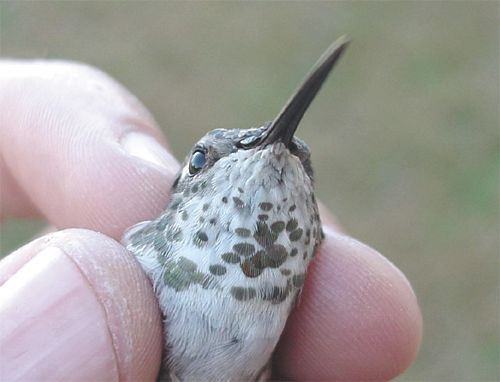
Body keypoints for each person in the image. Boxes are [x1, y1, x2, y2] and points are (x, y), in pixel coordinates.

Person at [0, 60, 422, 381]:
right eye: (203, 161)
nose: (275, 153)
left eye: (302, 170)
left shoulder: (288, 305)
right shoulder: (140, 250)